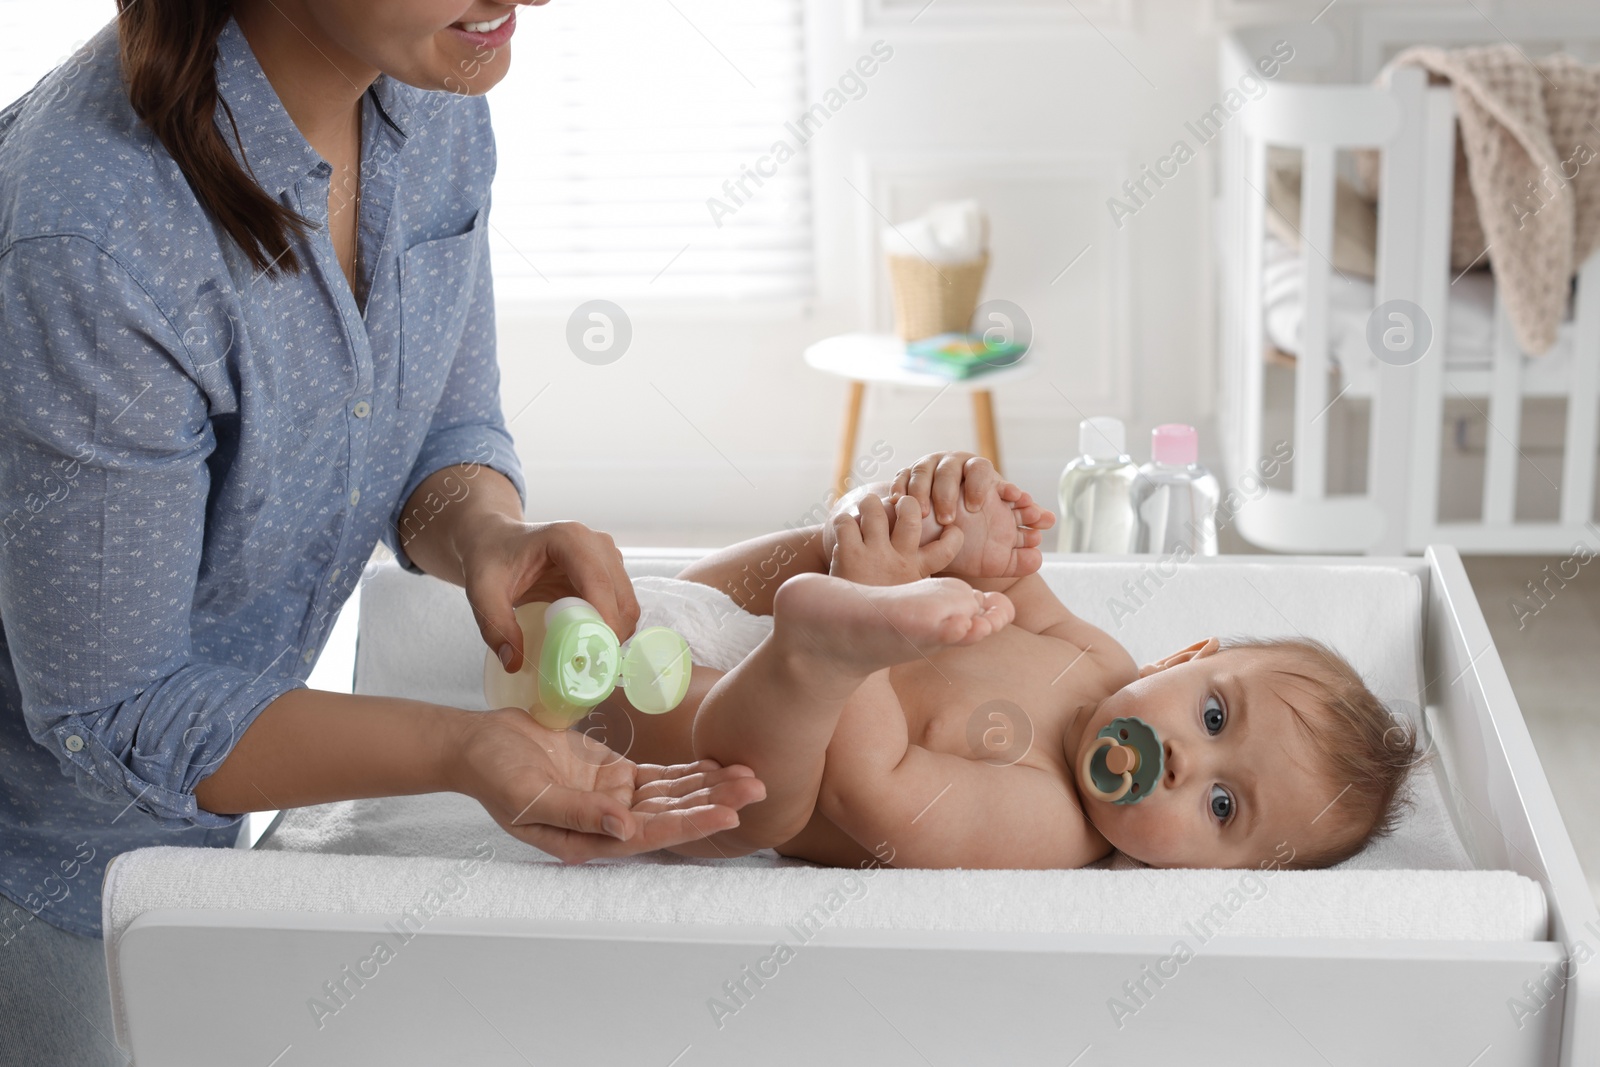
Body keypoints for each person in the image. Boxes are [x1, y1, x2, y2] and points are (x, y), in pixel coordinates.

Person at [0, 3, 762, 1064]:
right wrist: (465, 749)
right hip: (42, 877)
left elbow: (434, 427)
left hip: (214, 834)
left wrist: (489, 533)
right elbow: (115, 703)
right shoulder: (95, 236)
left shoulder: (430, 88)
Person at [576, 451, 1425, 871]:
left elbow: (871, 787)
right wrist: (974, 533)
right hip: (708, 611)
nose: (1184, 764)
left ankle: (830, 635)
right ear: (1184, 656)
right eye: (1212, 716)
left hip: (674, 739)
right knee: (869, 538)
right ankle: (839, 565)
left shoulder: (1054, 824)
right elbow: (1009, 592)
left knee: (770, 803)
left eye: (1223, 804)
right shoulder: (1099, 657)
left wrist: (867, 631)